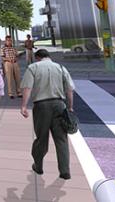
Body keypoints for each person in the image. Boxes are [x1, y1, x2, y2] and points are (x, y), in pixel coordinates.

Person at [20, 49, 76, 180]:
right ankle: (65, 171)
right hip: (59, 105)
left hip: (41, 106)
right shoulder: (61, 68)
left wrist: (24, 106)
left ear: (37, 57)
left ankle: (38, 166)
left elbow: (27, 87)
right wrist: (70, 107)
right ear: (49, 56)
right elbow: (69, 90)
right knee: (61, 139)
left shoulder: (33, 67)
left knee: (41, 138)